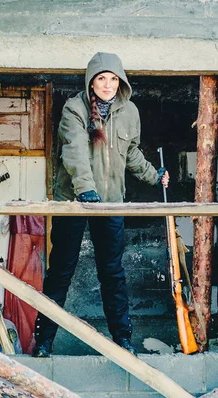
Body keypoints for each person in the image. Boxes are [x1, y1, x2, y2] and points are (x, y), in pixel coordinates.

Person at [32, 52, 169, 357]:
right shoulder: (75, 108)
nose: (107, 85)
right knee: (61, 271)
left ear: (121, 81)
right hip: (76, 201)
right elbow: (75, 151)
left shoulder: (130, 112)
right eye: (101, 79)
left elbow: (130, 153)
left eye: (113, 78)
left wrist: (154, 176)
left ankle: (122, 340)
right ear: (91, 81)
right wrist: (85, 191)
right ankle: (43, 342)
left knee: (113, 273)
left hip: (110, 204)